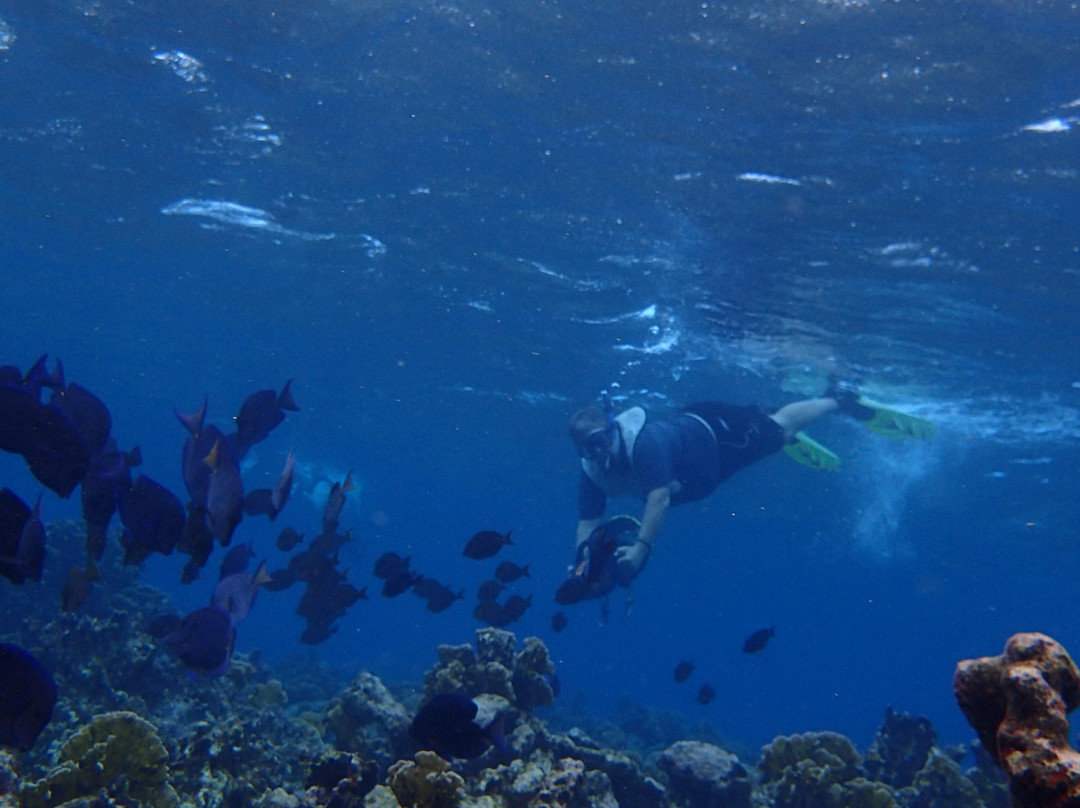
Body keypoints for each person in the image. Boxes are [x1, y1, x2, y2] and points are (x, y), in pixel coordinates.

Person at [568, 386, 874, 585]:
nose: (596, 455)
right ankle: (762, 414)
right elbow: (588, 520)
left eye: (598, 443)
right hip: (703, 462)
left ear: (611, 431)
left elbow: (658, 498)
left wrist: (640, 549)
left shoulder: (645, 445)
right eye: (586, 450)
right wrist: (584, 561)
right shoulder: (593, 472)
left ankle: (839, 399)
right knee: (766, 427)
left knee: (780, 429)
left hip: (718, 433)